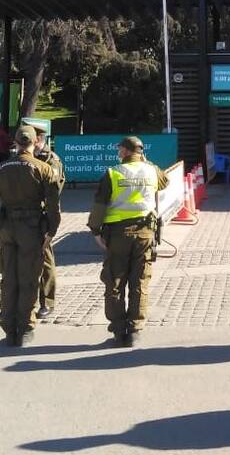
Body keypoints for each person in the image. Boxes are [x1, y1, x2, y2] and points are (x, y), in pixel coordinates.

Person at [0, 126, 62, 347]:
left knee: (9, 279)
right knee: (28, 279)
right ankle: (25, 329)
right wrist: (51, 231)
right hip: (33, 229)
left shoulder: (2, 168)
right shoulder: (43, 168)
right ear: (35, 142)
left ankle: (9, 329)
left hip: (7, 229)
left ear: (16, 143)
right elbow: (54, 205)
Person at [87, 136, 169, 347]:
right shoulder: (151, 171)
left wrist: (95, 231)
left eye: (119, 149)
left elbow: (99, 205)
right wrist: (147, 162)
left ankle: (118, 329)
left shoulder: (113, 173)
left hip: (118, 235)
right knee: (139, 281)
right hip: (145, 234)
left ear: (124, 151)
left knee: (114, 282)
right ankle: (135, 330)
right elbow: (165, 182)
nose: (118, 152)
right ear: (140, 152)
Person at [24, 120, 66, 319]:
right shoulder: (24, 157)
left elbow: (53, 193)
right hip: (24, 217)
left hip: (42, 217)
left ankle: (47, 302)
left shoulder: (51, 160)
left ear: (39, 139)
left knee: (45, 260)